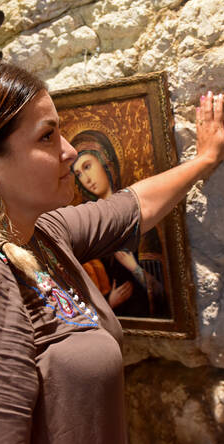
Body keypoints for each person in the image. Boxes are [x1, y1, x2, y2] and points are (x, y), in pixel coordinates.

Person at [0, 58, 224, 444]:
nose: (69, 151)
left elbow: (132, 207)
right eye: (47, 137)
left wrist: (205, 159)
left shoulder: (44, 236)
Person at [70, 130, 168, 317]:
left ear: (106, 161)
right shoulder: (85, 223)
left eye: (88, 166)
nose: (86, 179)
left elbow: (162, 294)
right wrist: (108, 302)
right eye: (78, 173)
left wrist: (134, 267)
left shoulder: (139, 220)